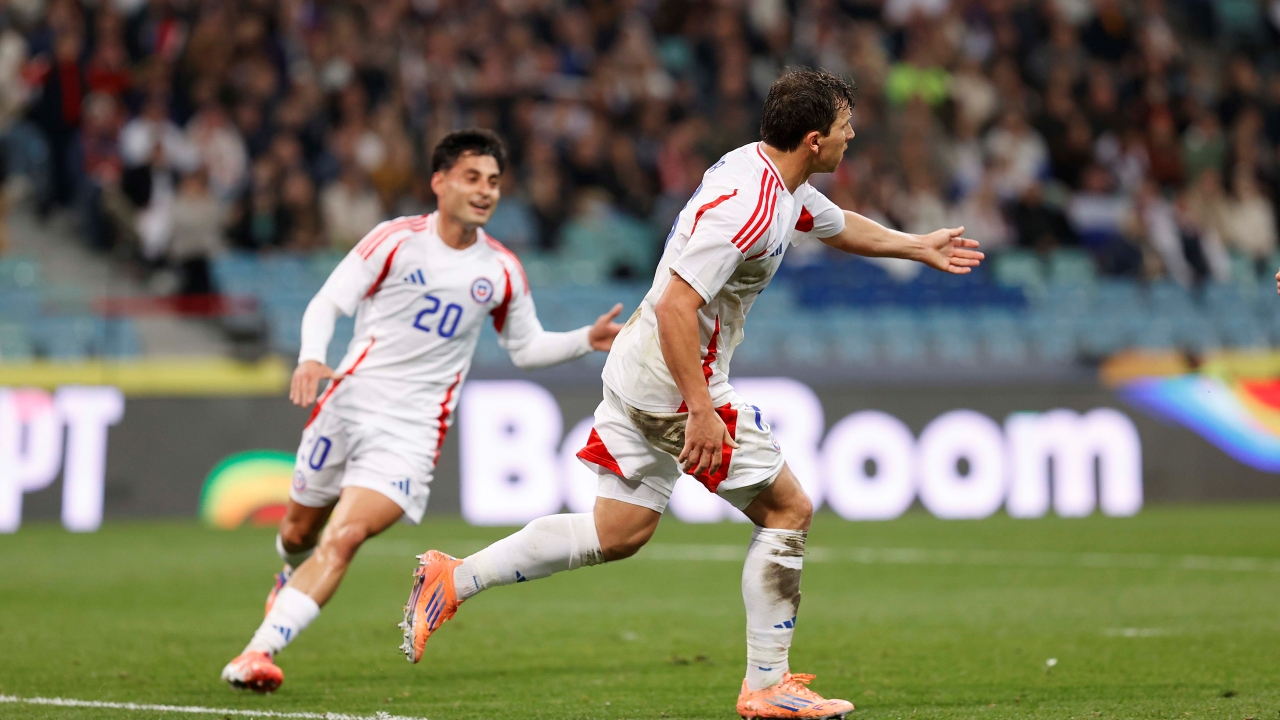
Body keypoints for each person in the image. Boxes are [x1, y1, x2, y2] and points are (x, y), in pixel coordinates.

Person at [399, 69, 982, 720]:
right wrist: (702, 410)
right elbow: (680, 304)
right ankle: (767, 685)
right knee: (788, 510)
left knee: (617, 531)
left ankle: (455, 577)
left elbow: (833, 224)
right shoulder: (750, 207)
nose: (853, 136)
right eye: (847, 128)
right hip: (675, 384)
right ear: (814, 140)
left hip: (641, 369)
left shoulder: (773, 176)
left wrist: (915, 246)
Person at [219, 129, 624, 693]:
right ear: (439, 181)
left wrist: (586, 337)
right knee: (296, 531)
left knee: (345, 536)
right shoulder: (394, 241)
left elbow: (525, 347)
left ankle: (258, 652)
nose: (485, 192)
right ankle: (288, 575)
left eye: (494, 182)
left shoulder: (501, 270)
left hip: (410, 433)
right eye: (472, 177)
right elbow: (328, 302)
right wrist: (312, 357)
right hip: (347, 406)